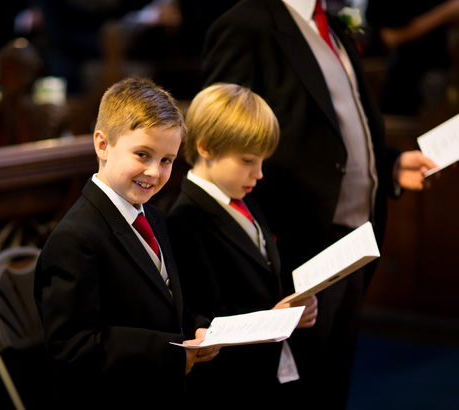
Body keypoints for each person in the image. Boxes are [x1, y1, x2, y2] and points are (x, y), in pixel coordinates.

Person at [201, 0, 438, 408]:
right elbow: (223, 137)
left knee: (334, 383)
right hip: (295, 242)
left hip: (354, 241)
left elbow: (347, 119)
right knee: (298, 393)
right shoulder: (245, 24)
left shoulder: (335, 21)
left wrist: (392, 164)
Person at [33, 76, 219, 405]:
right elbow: (73, 347)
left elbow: (167, 300)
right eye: (142, 154)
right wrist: (171, 352)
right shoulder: (76, 238)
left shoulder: (154, 218)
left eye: (166, 160)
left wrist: (199, 328)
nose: (154, 172)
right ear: (102, 145)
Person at [166, 83, 318, 405]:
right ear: (206, 147)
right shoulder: (184, 220)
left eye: (262, 161)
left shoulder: (243, 196)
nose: (259, 173)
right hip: (230, 382)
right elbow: (203, 316)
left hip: (268, 367)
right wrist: (274, 318)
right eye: (248, 160)